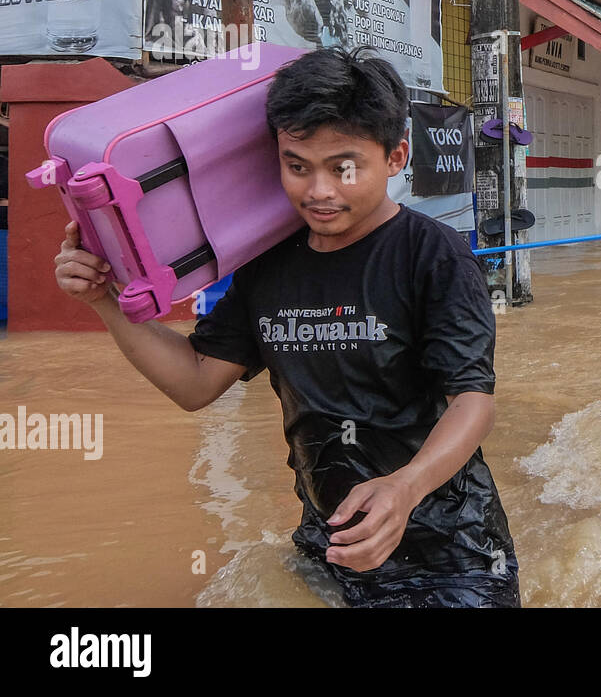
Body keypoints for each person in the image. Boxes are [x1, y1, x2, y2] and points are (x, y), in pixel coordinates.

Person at [52, 46, 519, 608]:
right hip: (329, 544)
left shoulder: (435, 256)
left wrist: (405, 486)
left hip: (453, 554)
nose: (318, 191)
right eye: (297, 166)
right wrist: (104, 300)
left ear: (396, 157)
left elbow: (473, 401)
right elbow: (196, 383)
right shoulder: (265, 262)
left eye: (343, 168)